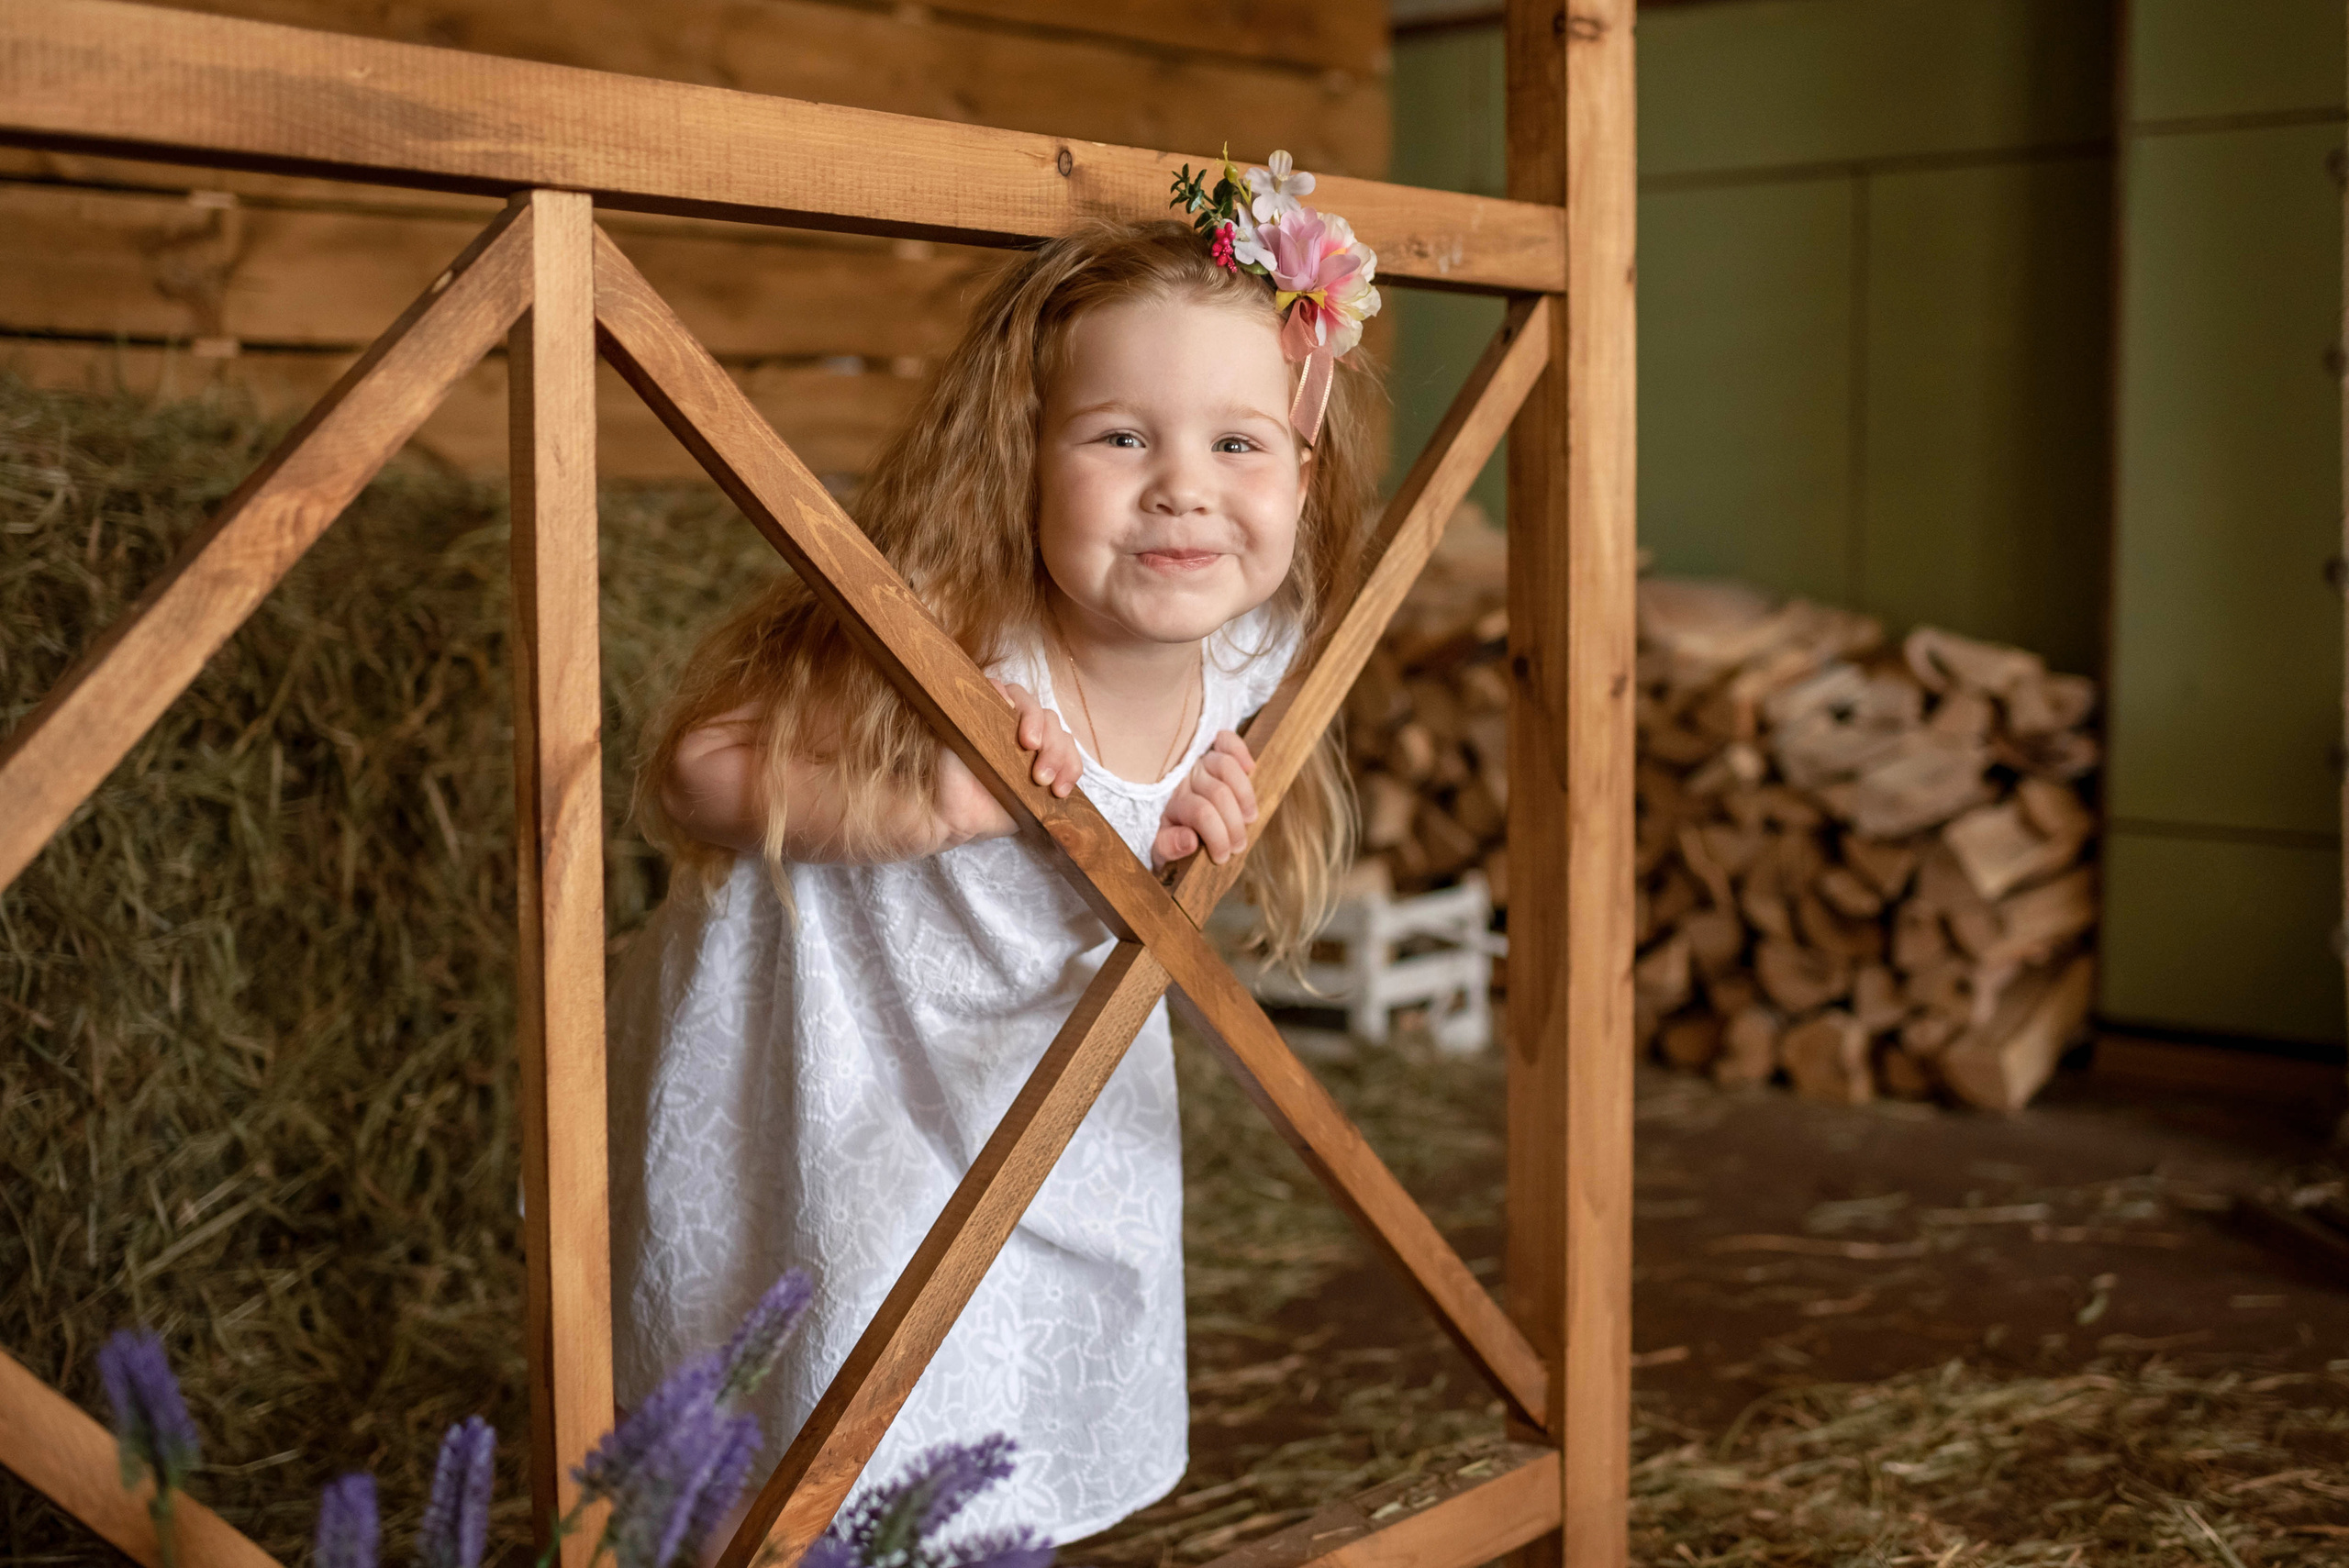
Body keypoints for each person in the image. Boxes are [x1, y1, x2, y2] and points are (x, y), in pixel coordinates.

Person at [607, 156, 1383, 1547]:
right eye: (1121, 439)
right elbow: (697, 766)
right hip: (846, 1060)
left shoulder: (1256, 652)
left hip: (1041, 1074)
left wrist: (1216, 847)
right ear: (1024, 458)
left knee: (1022, 1391)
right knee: (853, 1377)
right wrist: (919, 804)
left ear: (1302, 463)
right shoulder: (964, 644)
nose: (1183, 492)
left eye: (1237, 443)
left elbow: (1183, 852)